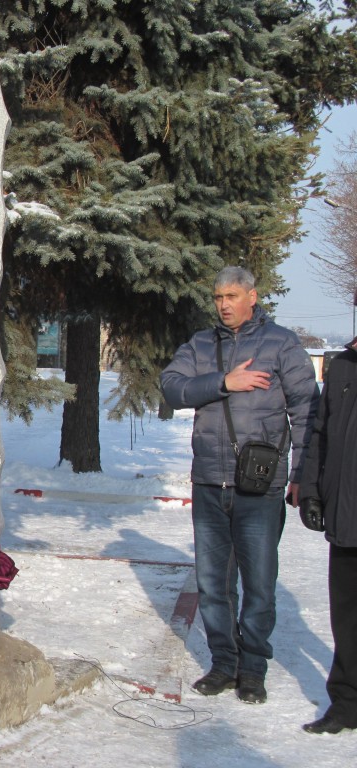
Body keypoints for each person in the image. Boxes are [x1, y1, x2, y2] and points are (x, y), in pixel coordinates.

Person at [161, 265, 319, 705]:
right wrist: (223, 383)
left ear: (252, 297)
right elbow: (171, 388)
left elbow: (307, 411)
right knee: (213, 584)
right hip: (210, 481)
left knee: (260, 584)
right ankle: (223, 664)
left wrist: (303, 474)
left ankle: (252, 669)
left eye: (232, 296)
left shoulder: (283, 344)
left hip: (260, 487)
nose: (224, 304)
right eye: (217, 297)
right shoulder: (201, 344)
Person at [298, 339, 357, 734]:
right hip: (347, 515)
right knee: (348, 617)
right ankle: (347, 704)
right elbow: (319, 433)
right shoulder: (342, 368)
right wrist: (312, 490)